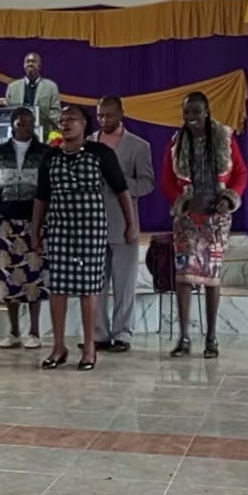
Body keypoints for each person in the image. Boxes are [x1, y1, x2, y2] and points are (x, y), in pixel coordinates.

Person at [32, 105, 136, 371]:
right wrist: (36, 231)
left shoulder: (101, 153)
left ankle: (90, 347)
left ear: (84, 124)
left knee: (90, 288)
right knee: (58, 287)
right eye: (62, 120)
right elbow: (41, 197)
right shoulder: (50, 156)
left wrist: (131, 225)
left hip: (91, 229)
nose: (66, 124)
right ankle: (58, 346)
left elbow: (122, 191)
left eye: (72, 120)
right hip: (59, 229)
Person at [159, 92, 248, 359]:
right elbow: (166, 180)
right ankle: (184, 337)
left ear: (207, 111)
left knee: (211, 277)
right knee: (184, 277)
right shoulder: (176, 142)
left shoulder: (225, 138)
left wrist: (229, 198)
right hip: (188, 218)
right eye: (187, 114)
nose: (191, 119)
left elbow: (241, 173)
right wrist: (180, 202)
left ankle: (211, 338)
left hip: (216, 218)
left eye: (196, 113)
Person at [90, 96, 155, 353]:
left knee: (124, 283)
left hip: (124, 222)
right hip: (93, 224)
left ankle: (123, 334)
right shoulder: (89, 143)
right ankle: (99, 334)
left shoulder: (138, 146)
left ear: (121, 114)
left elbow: (148, 183)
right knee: (96, 283)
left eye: (109, 115)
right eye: (100, 116)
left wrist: (120, 184)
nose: (104, 120)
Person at [0, 107, 49, 349]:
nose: (26, 127)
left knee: (34, 276)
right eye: (21, 122)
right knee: (8, 275)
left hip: (34, 220)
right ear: (12, 124)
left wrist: (43, 220)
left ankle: (34, 332)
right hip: (7, 221)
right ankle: (13, 331)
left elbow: (47, 188)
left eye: (30, 123)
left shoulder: (44, 152)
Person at [5, 52, 62, 131]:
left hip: (43, 132)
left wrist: (39, 119)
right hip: (19, 132)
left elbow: (56, 113)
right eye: (27, 61)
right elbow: (7, 112)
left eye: (34, 61)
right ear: (24, 66)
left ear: (40, 66)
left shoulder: (51, 87)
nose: (30, 64)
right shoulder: (13, 87)